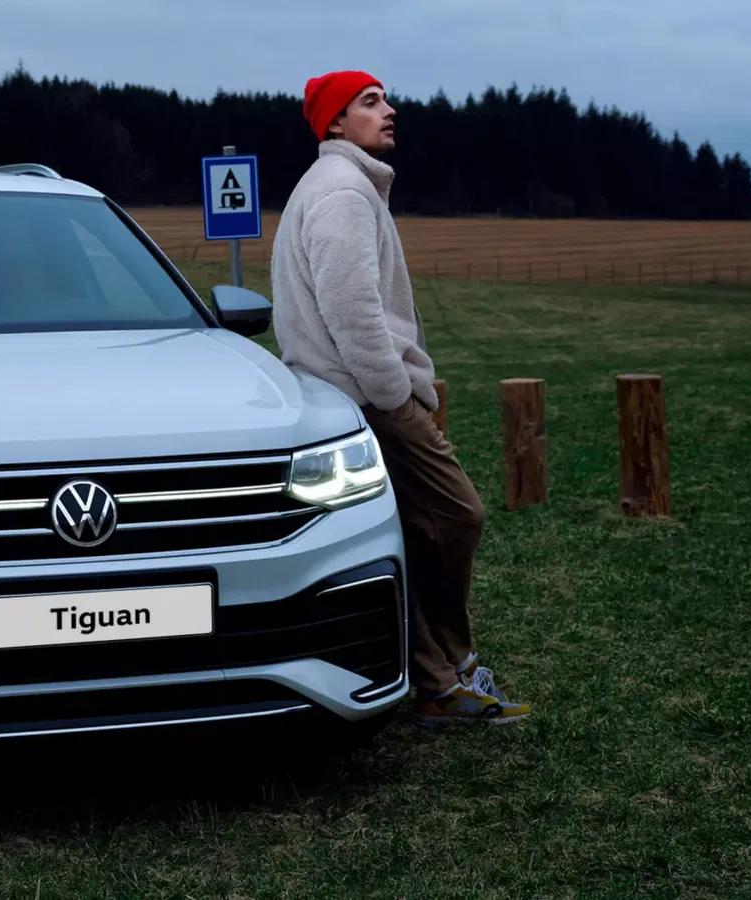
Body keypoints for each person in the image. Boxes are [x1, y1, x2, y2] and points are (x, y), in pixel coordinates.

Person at [269, 70, 531, 726]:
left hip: (350, 395)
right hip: (365, 397)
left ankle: (438, 679)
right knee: (458, 514)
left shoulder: (342, 188)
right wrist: (396, 396)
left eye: (384, 99)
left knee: (409, 530)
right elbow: (353, 313)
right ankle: (447, 665)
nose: (390, 111)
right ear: (335, 124)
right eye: (370, 102)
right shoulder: (341, 193)